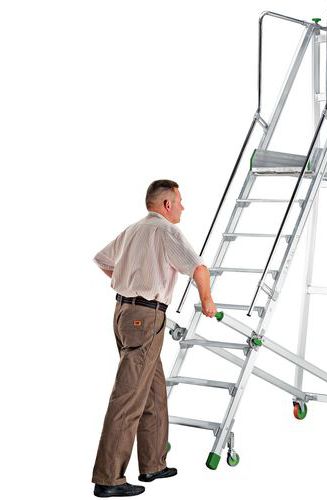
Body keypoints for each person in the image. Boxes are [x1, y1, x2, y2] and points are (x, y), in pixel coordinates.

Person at [91, 179, 216, 497]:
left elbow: (103, 261)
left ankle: (153, 464)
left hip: (124, 314)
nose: (183, 207)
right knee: (128, 396)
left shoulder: (134, 229)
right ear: (167, 204)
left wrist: (129, 281)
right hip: (145, 317)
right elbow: (199, 269)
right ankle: (108, 479)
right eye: (180, 201)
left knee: (153, 390)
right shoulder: (166, 231)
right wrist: (207, 301)